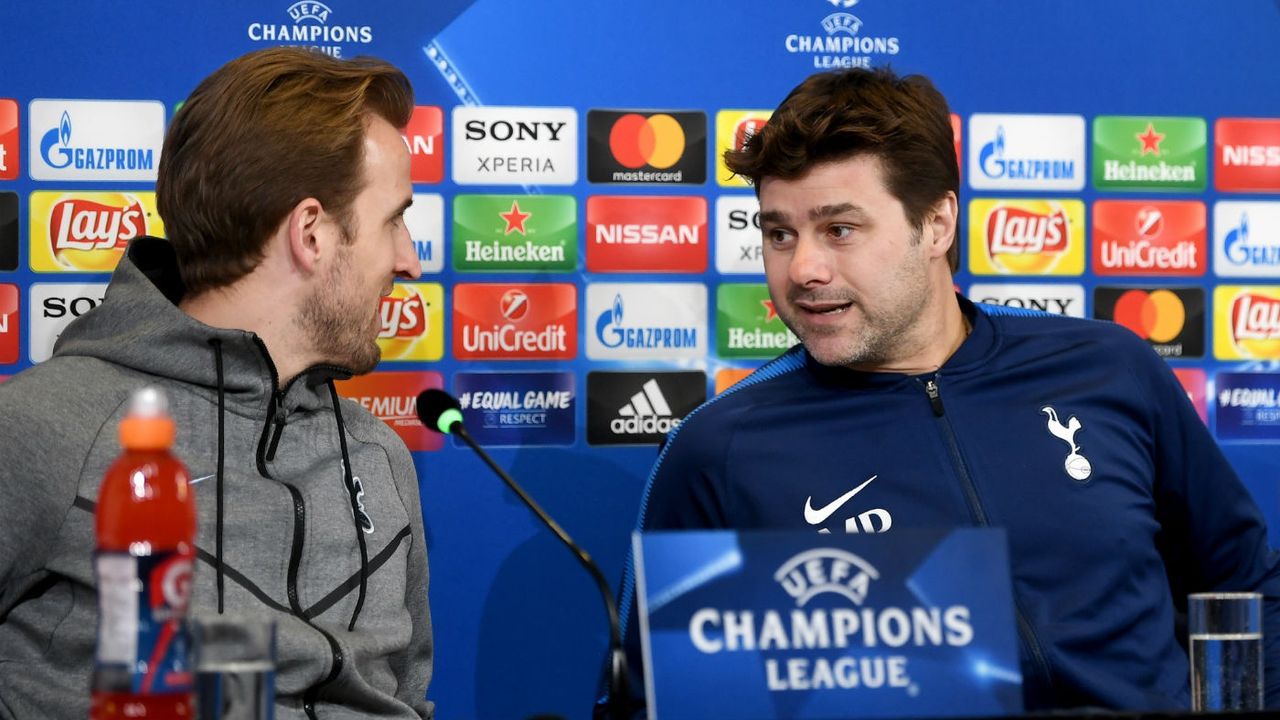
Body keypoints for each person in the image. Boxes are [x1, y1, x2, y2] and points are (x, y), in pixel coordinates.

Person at [597, 66, 1280, 714]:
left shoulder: (1111, 367)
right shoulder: (718, 447)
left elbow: (1252, 590)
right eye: (779, 233)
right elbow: (646, 700)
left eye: (840, 229)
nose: (802, 268)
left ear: (937, 223)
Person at [0, 47, 433, 718]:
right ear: (311, 233)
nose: (409, 261)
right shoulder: (43, 430)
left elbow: (406, 698)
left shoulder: (381, 458)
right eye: (395, 220)